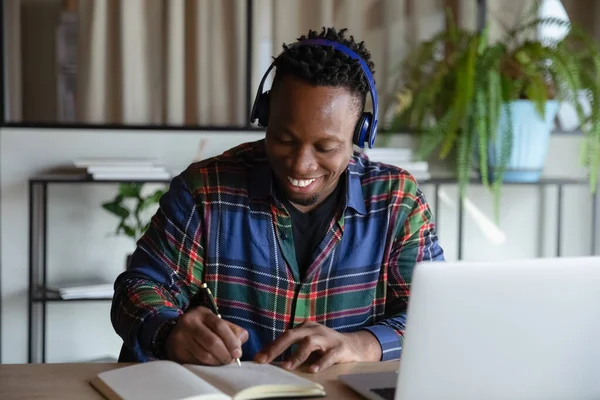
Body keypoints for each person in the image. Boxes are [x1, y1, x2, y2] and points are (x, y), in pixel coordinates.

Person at [111, 26, 444, 373]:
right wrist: (170, 331)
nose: (301, 163)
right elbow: (137, 290)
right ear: (266, 115)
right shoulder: (206, 192)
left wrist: (361, 344)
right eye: (284, 139)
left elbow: (437, 314)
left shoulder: (397, 203)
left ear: (361, 133)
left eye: (325, 147)